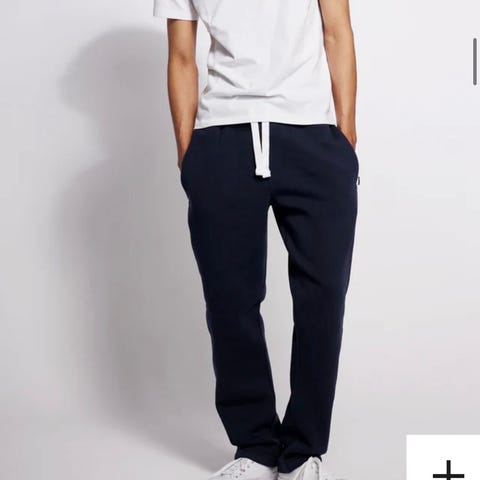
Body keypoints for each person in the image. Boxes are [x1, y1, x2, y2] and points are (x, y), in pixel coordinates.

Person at [154, 0, 359, 478]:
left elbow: (337, 32)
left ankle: (304, 451)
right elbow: (181, 55)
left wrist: (346, 137)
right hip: (222, 138)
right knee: (230, 301)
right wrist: (188, 154)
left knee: (323, 296)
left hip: (311, 137)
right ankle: (256, 447)